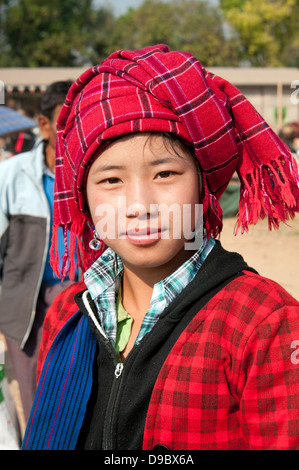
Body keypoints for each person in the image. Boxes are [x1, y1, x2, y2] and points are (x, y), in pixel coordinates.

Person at [22, 45, 299, 450]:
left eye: (165, 173)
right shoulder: (67, 314)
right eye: (111, 181)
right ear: (83, 197)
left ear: (204, 184)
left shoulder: (261, 322)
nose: (139, 206)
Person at [0, 80, 78, 423]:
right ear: (45, 126)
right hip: (23, 305)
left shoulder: (95, 175)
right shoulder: (11, 175)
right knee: (34, 405)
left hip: (79, 300)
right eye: (66, 122)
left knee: (74, 400)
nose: (76, 133)